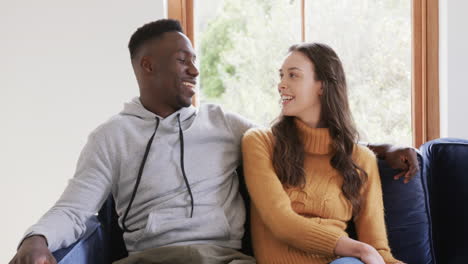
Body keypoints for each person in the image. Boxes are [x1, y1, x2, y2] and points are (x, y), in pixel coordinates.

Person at [10, 19, 416, 264]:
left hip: (226, 259)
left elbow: (303, 140)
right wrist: (36, 238)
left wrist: (379, 149)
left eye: (195, 60)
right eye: (183, 60)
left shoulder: (223, 123)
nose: (196, 70)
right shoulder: (111, 137)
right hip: (152, 259)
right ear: (147, 65)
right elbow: (74, 207)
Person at [242, 43, 404, 264]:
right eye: (281, 76)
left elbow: (378, 251)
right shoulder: (261, 142)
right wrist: (360, 250)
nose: (281, 84)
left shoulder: (361, 159)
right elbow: (281, 222)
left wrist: (366, 253)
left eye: (293, 76)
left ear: (322, 86)